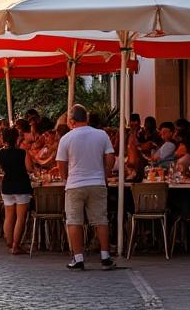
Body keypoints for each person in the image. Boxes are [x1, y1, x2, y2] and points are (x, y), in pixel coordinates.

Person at [56, 104, 116, 271]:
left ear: (71, 120)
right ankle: (105, 256)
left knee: (74, 221)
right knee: (101, 220)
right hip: (97, 182)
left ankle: (78, 258)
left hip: (75, 184)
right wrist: (106, 173)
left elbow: (61, 162)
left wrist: (65, 178)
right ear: (86, 118)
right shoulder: (101, 134)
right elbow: (111, 155)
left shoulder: (66, 138)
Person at [0, 125, 34, 254]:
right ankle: (16, 245)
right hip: (21, 185)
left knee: (9, 216)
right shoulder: (23, 152)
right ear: (17, 138)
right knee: (20, 217)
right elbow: (29, 168)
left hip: (7, 185)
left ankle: (9, 241)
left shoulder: (0, 152)